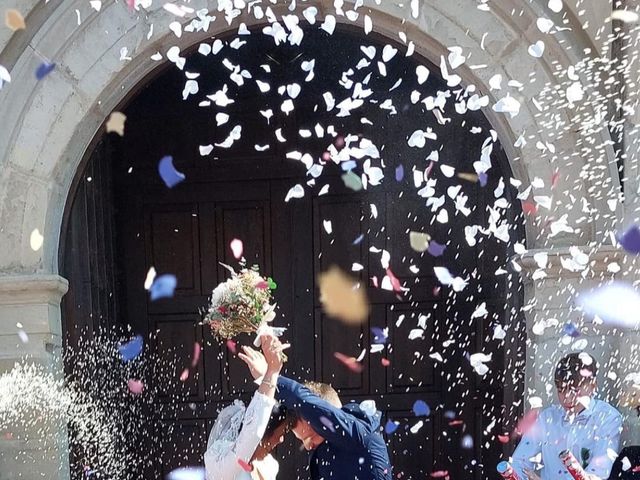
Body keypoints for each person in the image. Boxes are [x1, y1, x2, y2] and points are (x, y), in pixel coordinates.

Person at [239, 345, 393, 480]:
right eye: (303, 441)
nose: (308, 447)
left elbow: (307, 403)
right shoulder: (323, 450)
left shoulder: (359, 435)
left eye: (310, 438)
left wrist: (269, 376)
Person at [511, 352, 623, 480]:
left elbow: (598, 474)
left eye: (575, 390)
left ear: (593, 386)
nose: (567, 398)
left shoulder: (607, 417)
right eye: (561, 390)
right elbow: (519, 462)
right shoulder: (547, 417)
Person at [204, 335, 290, 480]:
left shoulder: (269, 465)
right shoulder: (221, 458)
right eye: (279, 432)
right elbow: (252, 433)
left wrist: (267, 377)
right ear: (264, 431)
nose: (281, 440)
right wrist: (271, 373)